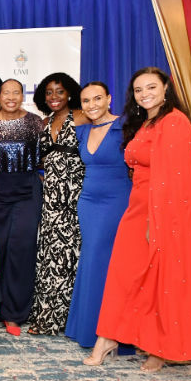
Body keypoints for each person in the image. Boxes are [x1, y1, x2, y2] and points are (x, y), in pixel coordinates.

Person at [87, 67, 191, 372]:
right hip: (141, 206)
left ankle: (161, 347)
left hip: (170, 209)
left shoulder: (175, 122)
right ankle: (108, 338)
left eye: (151, 87)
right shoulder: (147, 122)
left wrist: (156, 221)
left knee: (165, 278)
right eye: (139, 89)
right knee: (124, 274)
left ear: (166, 88)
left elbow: (175, 177)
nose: (145, 94)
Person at [65, 82, 132, 350]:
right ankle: (90, 328)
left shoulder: (124, 126)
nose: (92, 105)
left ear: (109, 99)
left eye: (97, 98)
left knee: (105, 262)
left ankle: (109, 333)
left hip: (117, 201)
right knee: (91, 260)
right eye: (86, 101)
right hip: (88, 201)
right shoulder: (82, 131)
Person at [28, 72, 88, 335]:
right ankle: (47, 317)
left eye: (60, 91)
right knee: (50, 256)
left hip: (76, 195)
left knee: (71, 256)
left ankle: (72, 319)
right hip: (51, 198)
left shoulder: (82, 117)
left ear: (70, 93)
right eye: (49, 92)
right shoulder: (45, 122)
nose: (54, 97)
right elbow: (43, 160)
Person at [0, 79, 43, 336]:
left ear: (23, 95)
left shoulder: (35, 122)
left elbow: (44, 156)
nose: (10, 97)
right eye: (6, 92)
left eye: (16, 92)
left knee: (21, 250)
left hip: (27, 191)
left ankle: (15, 313)